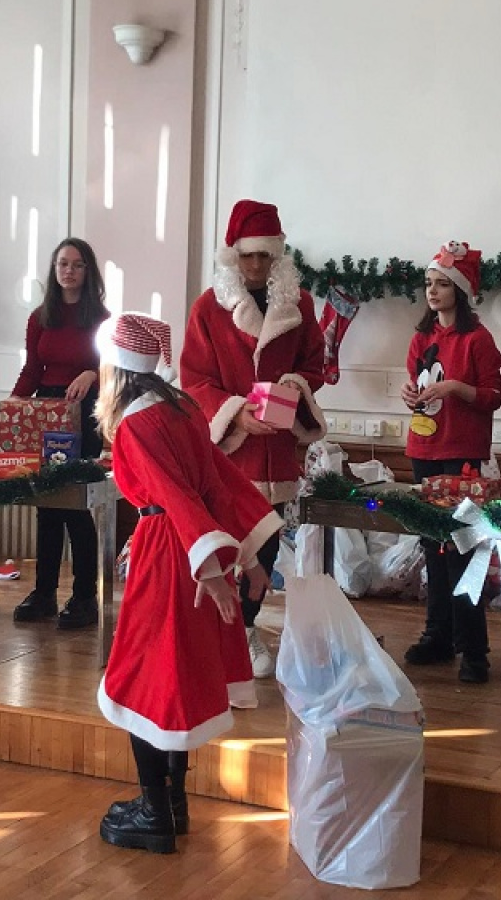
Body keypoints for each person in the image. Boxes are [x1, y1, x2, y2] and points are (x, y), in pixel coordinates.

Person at [94, 313, 282, 855]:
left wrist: (213, 571)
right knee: (172, 675)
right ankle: (173, 804)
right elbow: (221, 484)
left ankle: (154, 812)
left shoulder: (136, 423)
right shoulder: (182, 409)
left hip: (168, 552)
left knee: (143, 677)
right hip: (195, 549)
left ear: (115, 367)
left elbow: (177, 497)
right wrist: (246, 557)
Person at [179, 199, 325, 679]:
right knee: (224, 546)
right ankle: (216, 634)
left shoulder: (299, 305)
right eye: (248, 255)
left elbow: (314, 364)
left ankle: (244, 628)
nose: (257, 265)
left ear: (277, 256)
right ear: (233, 256)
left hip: (276, 451)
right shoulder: (208, 308)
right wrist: (236, 413)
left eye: (265, 255)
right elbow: (195, 380)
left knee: (265, 548)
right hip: (229, 454)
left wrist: (294, 387)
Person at [400, 242, 501, 684]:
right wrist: (409, 394)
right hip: (423, 450)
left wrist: (457, 389)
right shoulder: (421, 339)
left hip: (460, 454)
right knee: (432, 547)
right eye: (429, 283)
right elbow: (416, 387)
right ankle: (437, 634)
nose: (432, 291)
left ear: (459, 291)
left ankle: (474, 649)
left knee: (463, 549)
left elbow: (493, 396)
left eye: (442, 284)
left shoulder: (477, 339)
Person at [0, 237, 109, 630]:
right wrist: (9, 411)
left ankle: (84, 597)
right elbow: (32, 371)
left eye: (77, 264)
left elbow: (114, 370)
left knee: (75, 506)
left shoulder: (102, 319)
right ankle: (43, 593)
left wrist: (92, 373)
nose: (69, 271)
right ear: (54, 269)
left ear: (88, 271)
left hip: (84, 413)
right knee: (47, 506)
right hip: (45, 413)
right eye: (62, 264)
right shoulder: (40, 317)